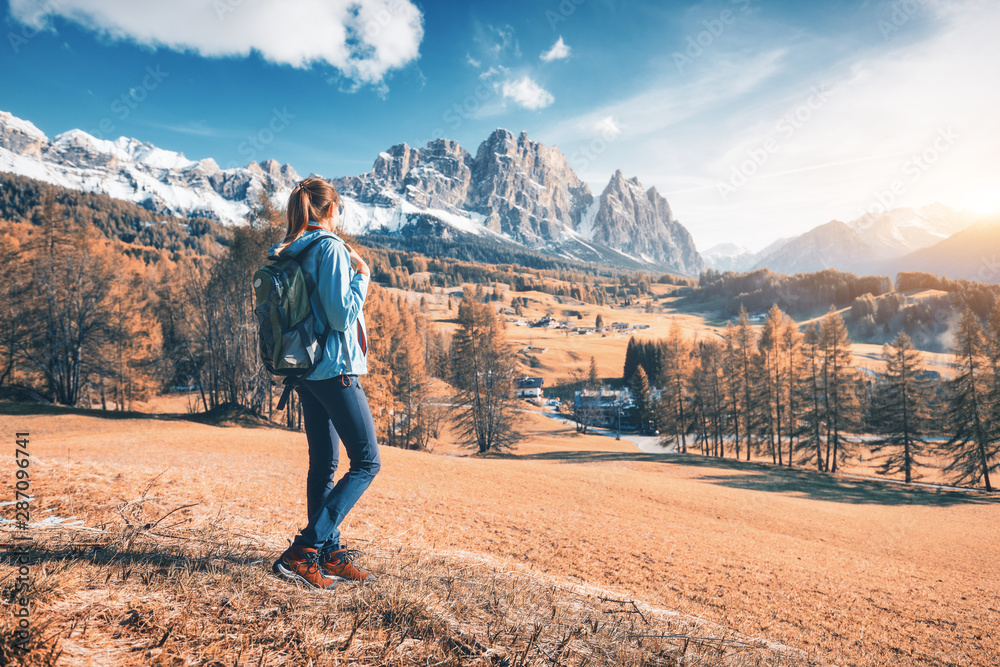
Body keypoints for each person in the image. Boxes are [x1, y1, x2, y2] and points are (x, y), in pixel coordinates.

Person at [268, 177, 380, 591]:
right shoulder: (329, 248)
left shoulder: (290, 249)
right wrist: (362, 276)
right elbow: (339, 317)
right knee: (367, 462)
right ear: (330, 210)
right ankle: (304, 551)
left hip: (306, 371)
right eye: (340, 210)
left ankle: (328, 553)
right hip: (334, 369)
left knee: (325, 464)